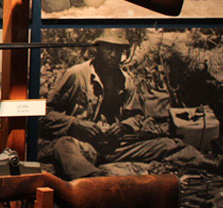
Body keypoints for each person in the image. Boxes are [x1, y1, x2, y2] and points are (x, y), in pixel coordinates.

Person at [40, 29, 221, 180]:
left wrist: (123, 127)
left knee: (166, 144)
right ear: (98, 49)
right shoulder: (76, 75)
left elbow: (137, 116)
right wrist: (76, 124)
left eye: (118, 50)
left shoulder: (126, 81)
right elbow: (45, 113)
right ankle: (93, 183)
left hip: (116, 145)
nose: (113, 55)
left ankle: (211, 163)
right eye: (109, 49)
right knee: (64, 146)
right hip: (83, 144)